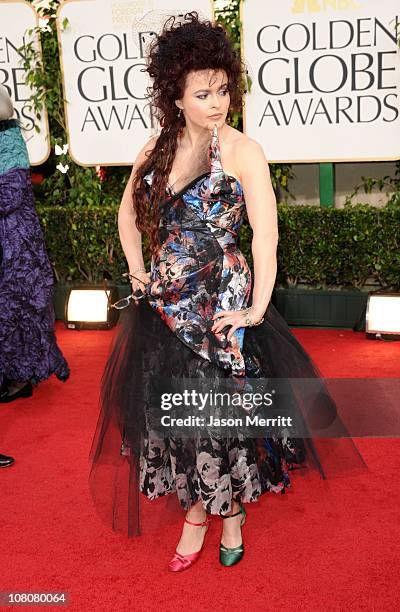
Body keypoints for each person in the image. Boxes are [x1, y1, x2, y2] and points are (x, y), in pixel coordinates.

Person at [89, 12, 367, 571]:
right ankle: (198, 511)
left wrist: (258, 307)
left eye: (223, 89)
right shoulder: (155, 149)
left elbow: (266, 231)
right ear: (175, 97)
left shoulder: (243, 150)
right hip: (166, 304)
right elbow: (127, 214)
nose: (217, 102)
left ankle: (229, 511)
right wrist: (138, 270)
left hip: (220, 303)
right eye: (202, 92)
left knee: (215, 417)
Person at [0, 84, 70, 401]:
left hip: (15, 241)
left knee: (17, 306)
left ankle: (20, 377)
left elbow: (11, 195)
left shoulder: (8, 140)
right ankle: (15, 376)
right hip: (10, 238)